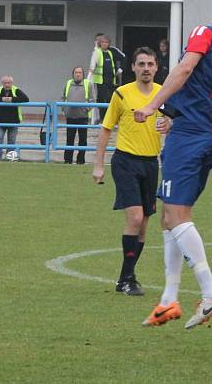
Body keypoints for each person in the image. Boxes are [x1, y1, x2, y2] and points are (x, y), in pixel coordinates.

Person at [136, 2, 212, 330]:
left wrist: (152, 105)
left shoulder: (207, 32)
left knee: (177, 216)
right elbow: (209, 98)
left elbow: (186, 69)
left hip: (189, 137)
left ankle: (210, 291)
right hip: (203, 134)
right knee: (168, 216)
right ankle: (168, 300)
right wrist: (173, 117)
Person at [92, 47, 167, 296]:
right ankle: (127, 279)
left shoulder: (162, 94)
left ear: (157, 67)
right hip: (125, 162)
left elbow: (175, 121)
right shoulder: (122, 94)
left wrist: (170, 123)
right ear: (133, 67)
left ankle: (126, 277)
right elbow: (106, 129)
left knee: (144, 225)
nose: (146, 69)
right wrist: (99, 164)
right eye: (141, 64)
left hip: (150, 163)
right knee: (134, 218)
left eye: (150, 64)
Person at [0, 76, 29, 160]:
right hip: (0, 121)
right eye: (5, 83)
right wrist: (2, 99)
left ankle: (10, 158)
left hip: (14, 121)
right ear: (2, 83)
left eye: (9, 83)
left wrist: (11, 99)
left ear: (12, 83)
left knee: (11, 141)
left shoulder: (16, 90)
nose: (7, 84)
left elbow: (26, 99)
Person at [61, 66, 93, 165]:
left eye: (80, 72)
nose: (78, 74)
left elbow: (92, 100)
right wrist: (65, 109)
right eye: (76, 72)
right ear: (73, 74)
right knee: (69, 139)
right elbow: (63, 98)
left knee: (83, 140)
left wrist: (85, 110)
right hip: (70, 116)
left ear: (83, 74)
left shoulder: (88, 84)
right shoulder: (68, 83)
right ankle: (67, 160)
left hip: (83, 117)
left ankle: (80, 160)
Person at [88, 34, 122, 118]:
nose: (104, 44)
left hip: (110, 81)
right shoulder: (97, 52)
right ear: (100, 43)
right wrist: (89, 77)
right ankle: (102, 117)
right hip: (100, 81)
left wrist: (119, 71)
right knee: (102, 99)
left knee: (111, 99)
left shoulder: (110, 53)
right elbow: (92, 65)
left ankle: (109, 117)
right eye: (103, 42)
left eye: (106, 42)